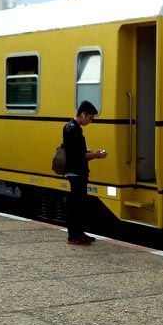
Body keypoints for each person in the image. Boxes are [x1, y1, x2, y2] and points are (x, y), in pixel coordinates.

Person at [63, 100, 107, 245]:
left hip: (76, 171)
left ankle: (79, 233)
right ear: (83, 114)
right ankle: (74, 236)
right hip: (76, 172)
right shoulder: (73, 129)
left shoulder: (72, 127)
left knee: (80, 204)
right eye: (90, 118)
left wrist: (88, 152)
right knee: (77, 204)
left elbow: (75, 151)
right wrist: (95, 155)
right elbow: (77, 156)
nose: (90, 121)